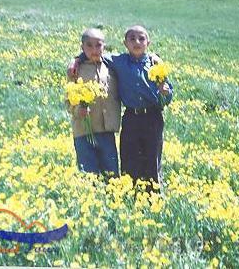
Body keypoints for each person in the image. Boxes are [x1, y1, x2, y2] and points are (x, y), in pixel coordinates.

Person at [68, 25, 173, 191]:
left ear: (148, 42)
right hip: (131, 118)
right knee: (129, 159)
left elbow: (167, 96)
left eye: (141, 39)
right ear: (125, 43)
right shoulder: (118, 61)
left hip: (153, 117)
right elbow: (93, 53)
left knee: (152, 158)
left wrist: (165, 93)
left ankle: (154, 195)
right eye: (132, 39)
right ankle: (130, 194)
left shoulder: (155, 64)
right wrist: (76, 59)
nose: (136, 42)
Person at [65, 28, 121, 178]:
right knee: (88, 175)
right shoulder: (75, 70)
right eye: (89, 45)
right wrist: (78, 111)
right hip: (83, 130)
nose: (94, 49)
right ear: (82, 47)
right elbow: (68, 100)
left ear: (104, 46)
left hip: (106, 131)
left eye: (98, 45)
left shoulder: (111, 67)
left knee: (112, 174)